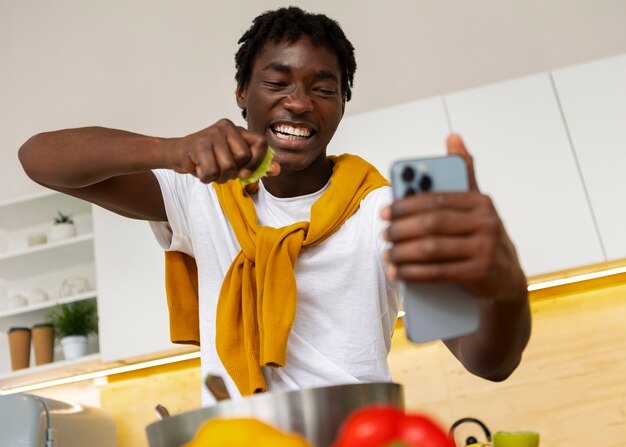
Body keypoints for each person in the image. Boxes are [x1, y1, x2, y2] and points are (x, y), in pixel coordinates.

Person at [18, 6, 530, 403]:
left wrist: (506, 290)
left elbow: (487, 361)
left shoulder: (387, 213)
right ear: (243, 93)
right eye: (277, 82)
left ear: (342, 105)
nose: (299, 102)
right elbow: (39, 158)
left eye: (323, 88)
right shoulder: (201, 195)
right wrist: (168, 151)